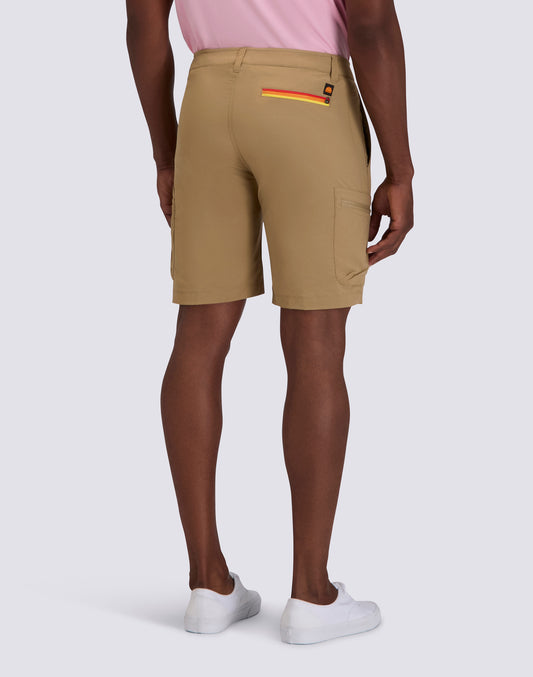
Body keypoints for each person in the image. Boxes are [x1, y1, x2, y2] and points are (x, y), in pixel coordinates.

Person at [125, 0, 414, 645]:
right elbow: (371, 23)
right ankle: (311, 594)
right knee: (316, 342)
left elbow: (143, 22)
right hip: (307, 96)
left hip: (207, 99)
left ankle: (208, 584)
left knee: (198, 336)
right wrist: (401, 168)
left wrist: (167, 155)